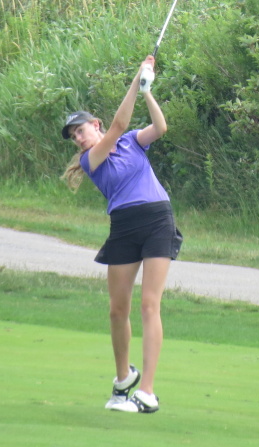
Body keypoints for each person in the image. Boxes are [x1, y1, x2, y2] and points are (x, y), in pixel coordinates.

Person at [61, 55, 182, 413]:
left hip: (158, 218)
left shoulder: (132, 142)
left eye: (80, 130)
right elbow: (118, 124)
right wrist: (135, 78)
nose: (78, 138)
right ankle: (123, 377)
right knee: (117, 310)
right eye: (74, 136)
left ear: (93, 124)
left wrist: (146, 91)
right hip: (124, 227)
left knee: (149, 304)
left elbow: (160, 127)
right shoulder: (91, 160)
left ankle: (147, 391)